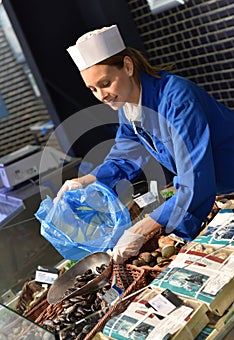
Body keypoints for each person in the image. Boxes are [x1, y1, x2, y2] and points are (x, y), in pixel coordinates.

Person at [57, 24, 234, 263]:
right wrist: (86, 181)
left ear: (128, 66)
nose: (101, 96)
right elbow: (126, 154)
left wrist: (141, 229)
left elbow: (195, 178)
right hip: (221, 190)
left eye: (106, 83)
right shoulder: (127, 107)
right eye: (93, 89)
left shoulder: (176, 98)